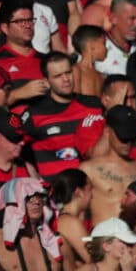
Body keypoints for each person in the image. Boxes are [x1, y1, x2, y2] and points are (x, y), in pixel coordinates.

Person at [19, 52, 104, 181]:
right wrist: (34, 179)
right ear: (46, 81)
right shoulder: (35, 113)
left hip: (92, 188)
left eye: (68, 72)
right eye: (58, 76)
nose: (66, 79)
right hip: (54, 193)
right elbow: (15, 148)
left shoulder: (94, 105)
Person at [80, 106, 136, 224]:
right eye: (123, 138)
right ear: (107, 132)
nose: (128, 143)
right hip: (105, 238)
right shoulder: (89, 169)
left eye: (132, 137)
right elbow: (79, 213)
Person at [51, 169, 95, 267]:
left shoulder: (61, 218)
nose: (92, 195)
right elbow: (93, 259)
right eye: (90, 189)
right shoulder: (70, 222)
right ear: (79, 192)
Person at [0, 0, 44, 82]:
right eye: (20, 21)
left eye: (30, 20)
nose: (28, 26)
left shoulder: (45, 61)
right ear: (5, 28)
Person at [72, 25, 108, 97]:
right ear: (92, 46)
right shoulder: (76, 71)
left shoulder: (102, 76)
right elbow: (75, 101)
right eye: (104, 43)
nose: (106, 49)